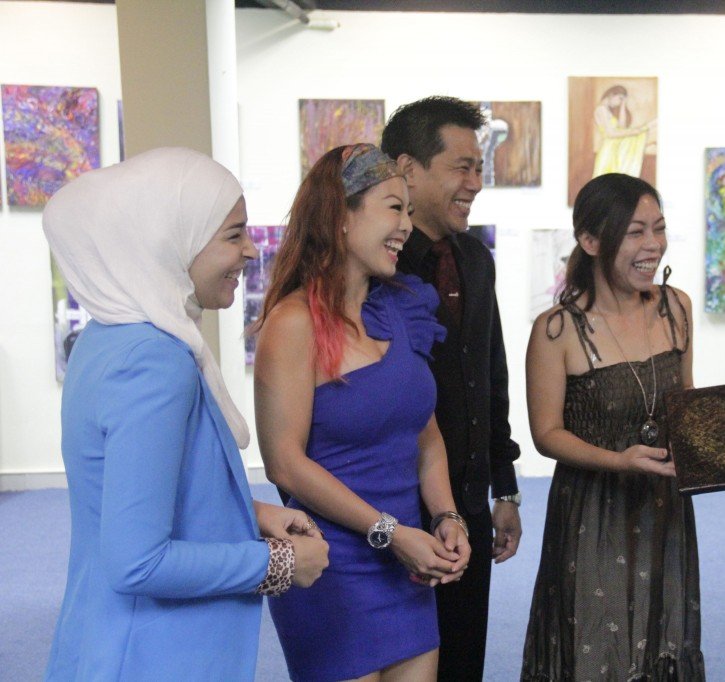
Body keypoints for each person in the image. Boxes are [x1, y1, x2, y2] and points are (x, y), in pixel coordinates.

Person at [41, 147, 329, 681]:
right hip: (150, 655)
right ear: (170, 239)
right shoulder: (155, 361)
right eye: (233, 234)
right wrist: (279, 565)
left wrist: (253, 515)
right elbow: (138, 561)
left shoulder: (110, 339)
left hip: (109, 639)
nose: (250, 250)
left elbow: (130, 493)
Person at [253, 143, 471, 682]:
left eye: (407, 210)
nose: (406, 226)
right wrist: (390, 534)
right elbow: (284, 464)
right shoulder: (292, 323)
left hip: (409, 568)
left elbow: (427, 438)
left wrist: (446, 517)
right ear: (341, 217)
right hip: (329, 566)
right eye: (393, 208)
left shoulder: (405, 308)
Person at [521, 173, 706, 681]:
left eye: (659, 228)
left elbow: (686, 402)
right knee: (594, 642)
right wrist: (618, 460)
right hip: (592, 511)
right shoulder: (556, 329)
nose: (653, 245)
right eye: (635, 232)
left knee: (665, 637)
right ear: (591, 241)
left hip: (664, 504)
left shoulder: (677, 308)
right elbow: (546, 433)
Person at [381, 95, 523, 682]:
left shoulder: (475, 258)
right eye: (461, 167)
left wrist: (504, 487)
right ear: (409, 169)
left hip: (465, 508)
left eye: (479, 167)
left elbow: (490, 375)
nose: (476, 182)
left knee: (463, 662)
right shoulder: (376, 266)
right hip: (392, 514)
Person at [592, 85, 656, 179]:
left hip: (615, 149)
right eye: (619, 99)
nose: (619, 103)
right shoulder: (601, 109)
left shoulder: (607, 111)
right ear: (611, 95)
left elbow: (622, 126)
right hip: (609, 151)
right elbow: (610, 133)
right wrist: (635, 132)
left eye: (622, 100)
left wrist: (623, 105)